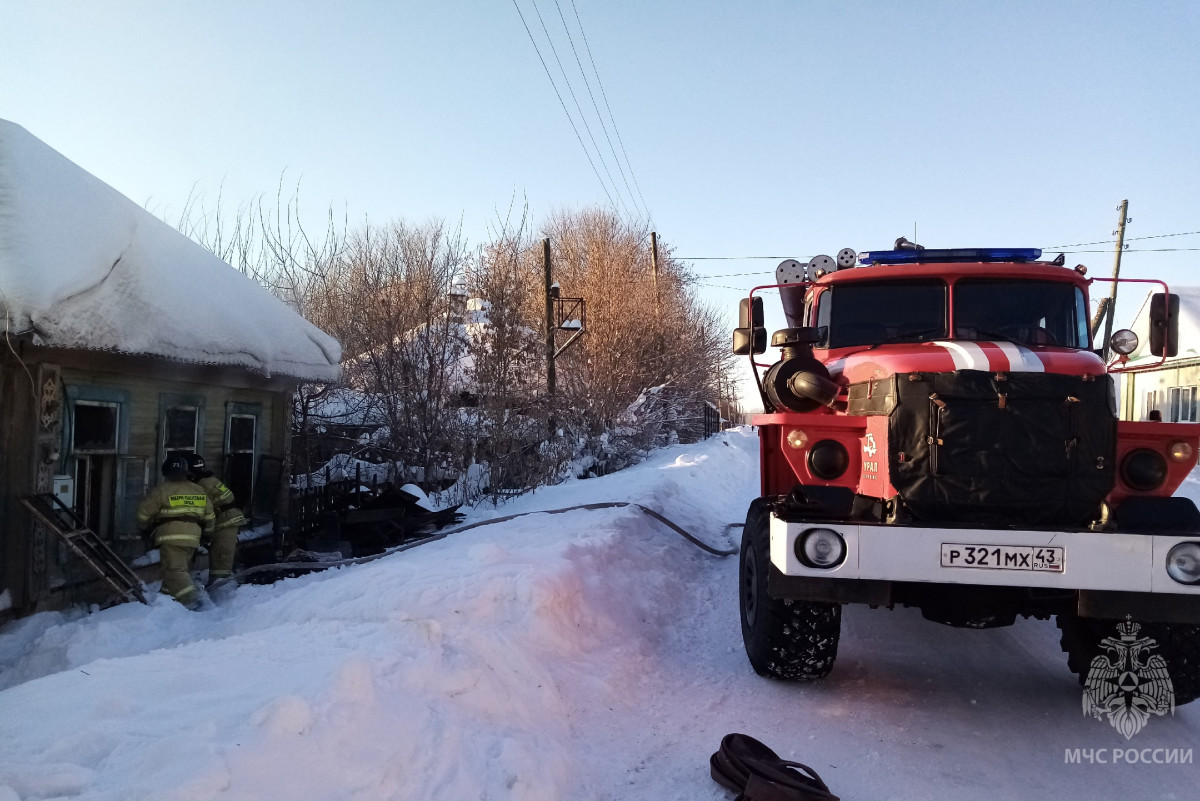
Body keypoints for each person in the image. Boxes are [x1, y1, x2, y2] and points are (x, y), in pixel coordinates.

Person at [136, 454, 214, 608]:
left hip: (171, 536)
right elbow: (210, 515)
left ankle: (195, 602)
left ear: (166, 473)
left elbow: (143, 513)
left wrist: (144, 528)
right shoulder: (198, 490)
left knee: (175, 571)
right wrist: (207, 534)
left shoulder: (162, 490)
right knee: (178, 571)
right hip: (193, 537)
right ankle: (166, 601)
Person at [186, 452, 247, 586]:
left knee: (221, 558)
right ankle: (219, 585)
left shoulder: (201, 486)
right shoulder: (209, 480)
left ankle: (221, 592)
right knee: (219, 554)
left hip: (226, 521)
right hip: (228, 519)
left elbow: (202, 511)